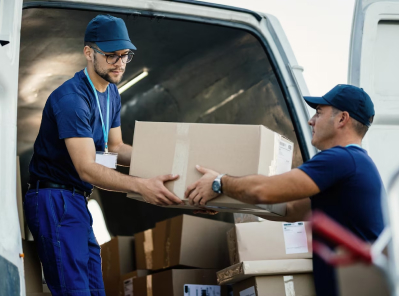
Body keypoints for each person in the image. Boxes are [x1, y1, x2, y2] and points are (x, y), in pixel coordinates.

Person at [24, 15, 182, 296]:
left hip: (77, 200)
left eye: (125, 55)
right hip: (55, 200)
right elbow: (86, 168)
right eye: (111, 56)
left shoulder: (111, 93)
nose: (120, 63)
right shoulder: (72, 100)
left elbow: (117, 148)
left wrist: (169, 164)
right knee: (75, 291)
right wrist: (142, 186)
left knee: (96, 289)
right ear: (89, 52)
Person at [185, 84, 385, 296]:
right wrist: (223, 200)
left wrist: (219, 182)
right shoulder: (355, 164)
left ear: (342, 119)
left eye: (318, 112)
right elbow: (288, 210)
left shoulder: (341, 159)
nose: (311, 121)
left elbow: (264, 191)